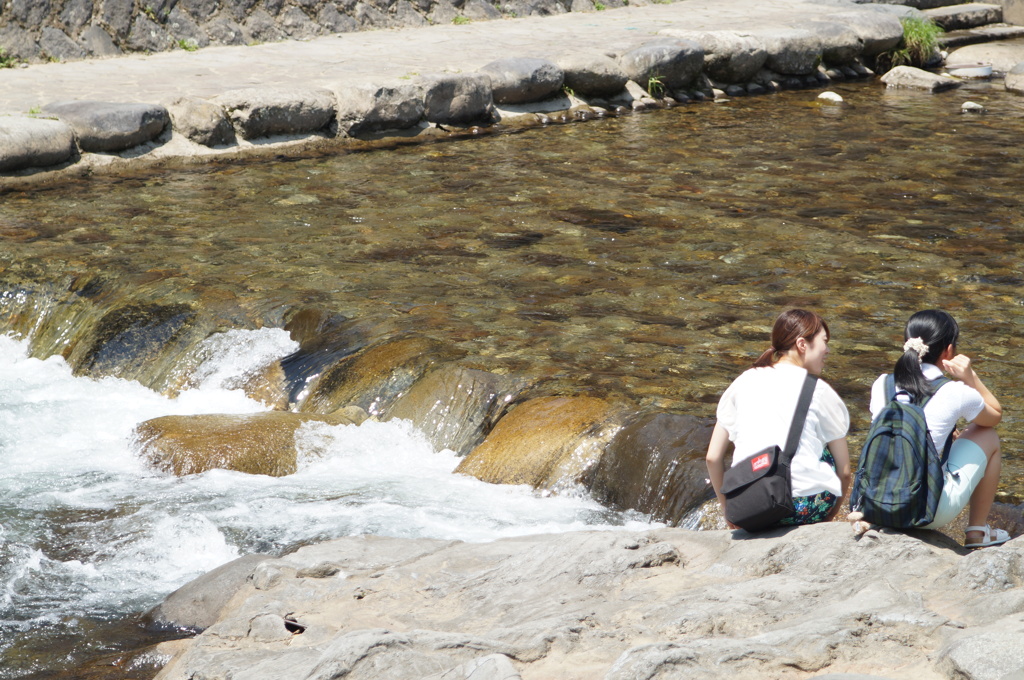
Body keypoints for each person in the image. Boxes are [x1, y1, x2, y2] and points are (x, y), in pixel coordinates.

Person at [864, 309, 1008, 548]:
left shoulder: (882, 383)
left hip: (875, 503)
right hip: (925, 511)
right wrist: (971, 377)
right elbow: (994, 415)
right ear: (949, 350)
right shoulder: (953, 391)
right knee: (987, 435)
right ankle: (977, 532)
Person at [706, 309, 852, 529]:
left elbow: (713, 458)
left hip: (748, 505)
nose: (827, 350)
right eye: (824, 342)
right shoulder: (820, 390)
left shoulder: (744, 380)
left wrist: (728, 513)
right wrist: (829, 519)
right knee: (825, 446)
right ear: (802, 344)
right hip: (801, 509)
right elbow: (845, 472)